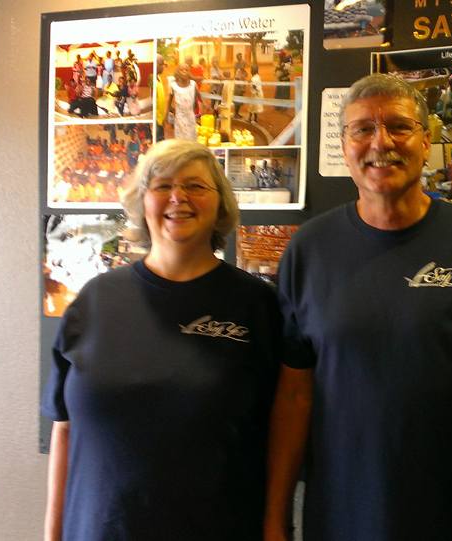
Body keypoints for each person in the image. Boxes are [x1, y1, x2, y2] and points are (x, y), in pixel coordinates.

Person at [265, 73, 452, 541]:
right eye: (362, 129)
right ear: (344, 145)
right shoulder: (308, 250)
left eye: (399, 126)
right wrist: (275, 520)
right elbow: (294, 395)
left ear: (426, 140)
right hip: (342, 517)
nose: (381, 142)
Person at [42, 139, 282, 541]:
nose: (178, 197)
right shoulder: (94, 301)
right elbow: (64, 430)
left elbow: (282, 432)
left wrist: (276, 525)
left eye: (195, 186)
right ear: (142, 201)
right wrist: (51, 535)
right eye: (163, 185)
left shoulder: (257, 306)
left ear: (221, 204)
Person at [168, 65, 198, 141]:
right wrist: (167, 114)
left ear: (189, 72)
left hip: (190, 116)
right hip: (179, 117)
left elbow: (196, 97)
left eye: (186, 70)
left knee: (191, 137)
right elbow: (169, 100)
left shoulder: (193, 84)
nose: (184, 71)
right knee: (180, 138)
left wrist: (203, 104)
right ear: (178, 72)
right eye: (182, 70)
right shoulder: (173, 85)